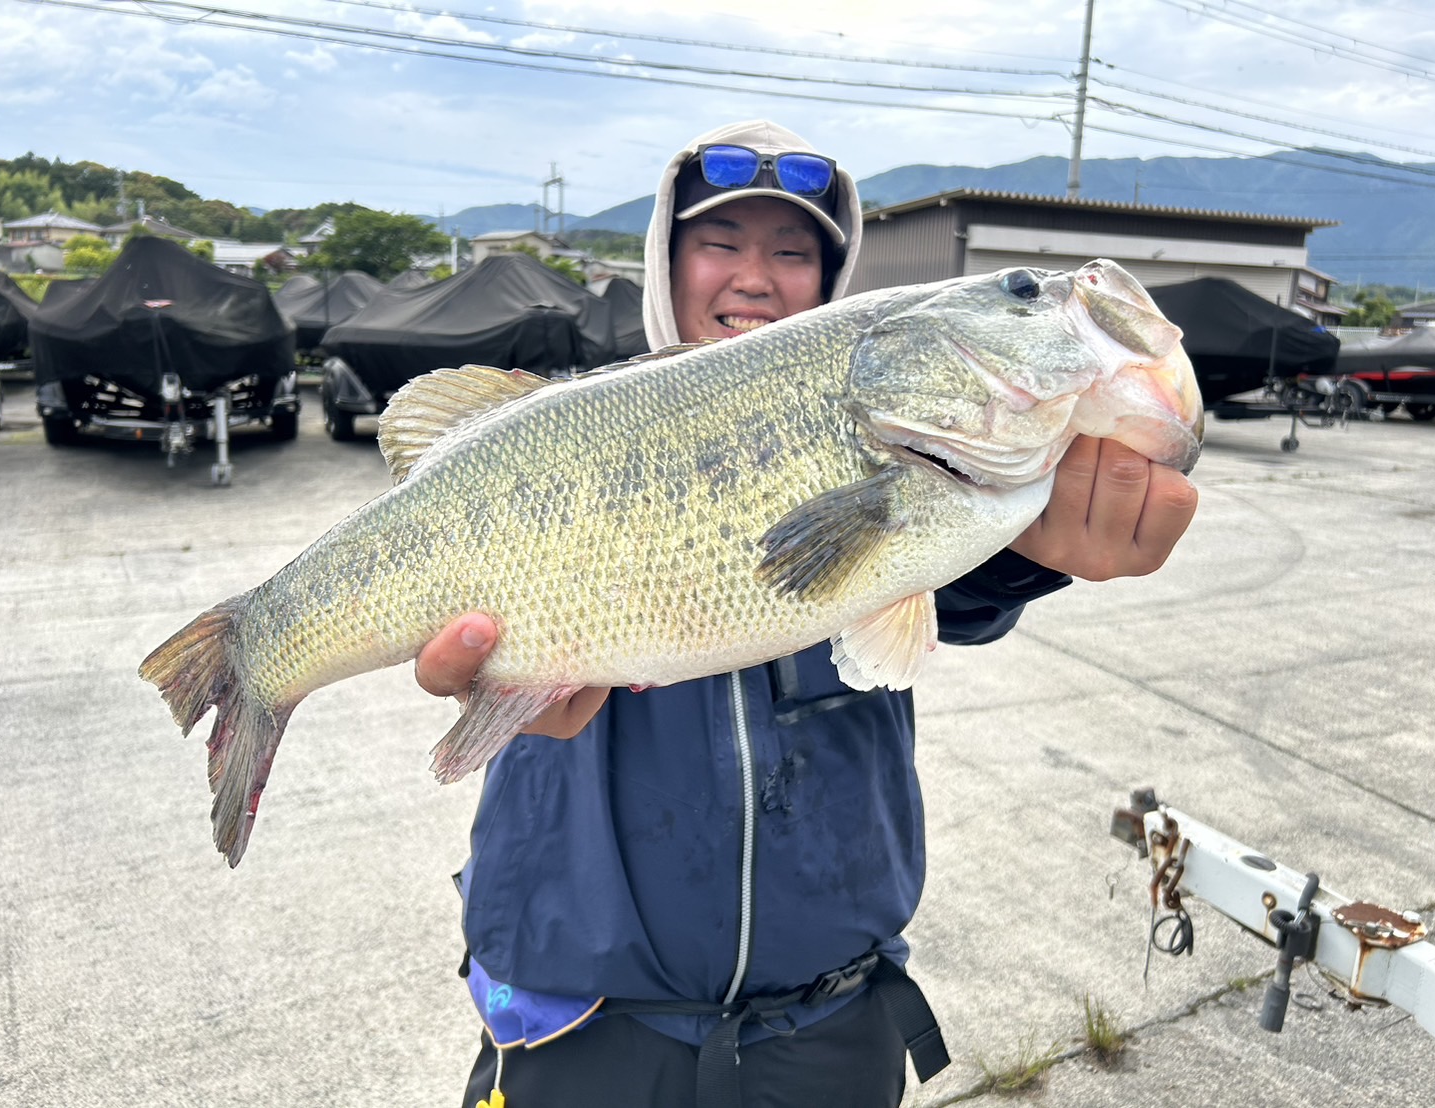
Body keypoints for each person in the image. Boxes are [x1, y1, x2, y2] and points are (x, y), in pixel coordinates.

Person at [420, 120, 1198, 1108]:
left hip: (829, 1025)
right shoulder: (569, 433)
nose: (756, 276)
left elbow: (957, 587)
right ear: (664, 261)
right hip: (578, 1019)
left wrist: (1032, 558)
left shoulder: (905, 442)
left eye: (793, 252)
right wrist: (501, 674)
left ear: (834, 288)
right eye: (719, 243)